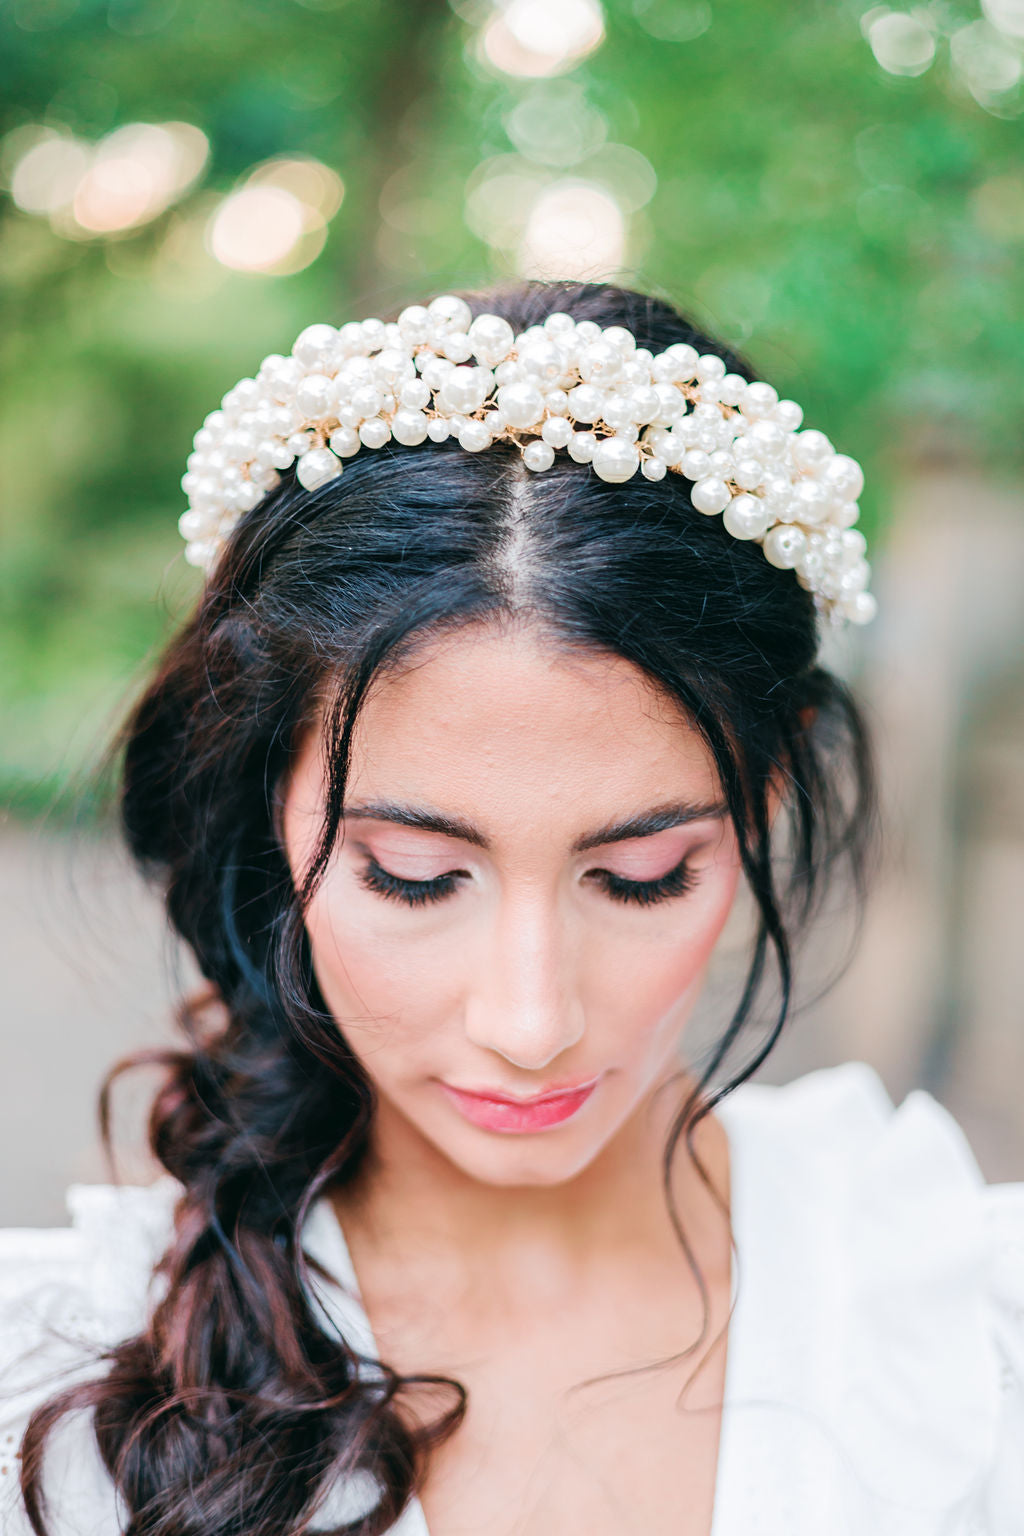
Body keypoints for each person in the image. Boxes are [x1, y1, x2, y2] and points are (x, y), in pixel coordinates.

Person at [1, 280, 1020, 1536]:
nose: (530, 1021)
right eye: (413, 877)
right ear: (272, 797)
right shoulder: (51, 1381)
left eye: (641, 876)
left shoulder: (970, 1327)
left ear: (761, 794)